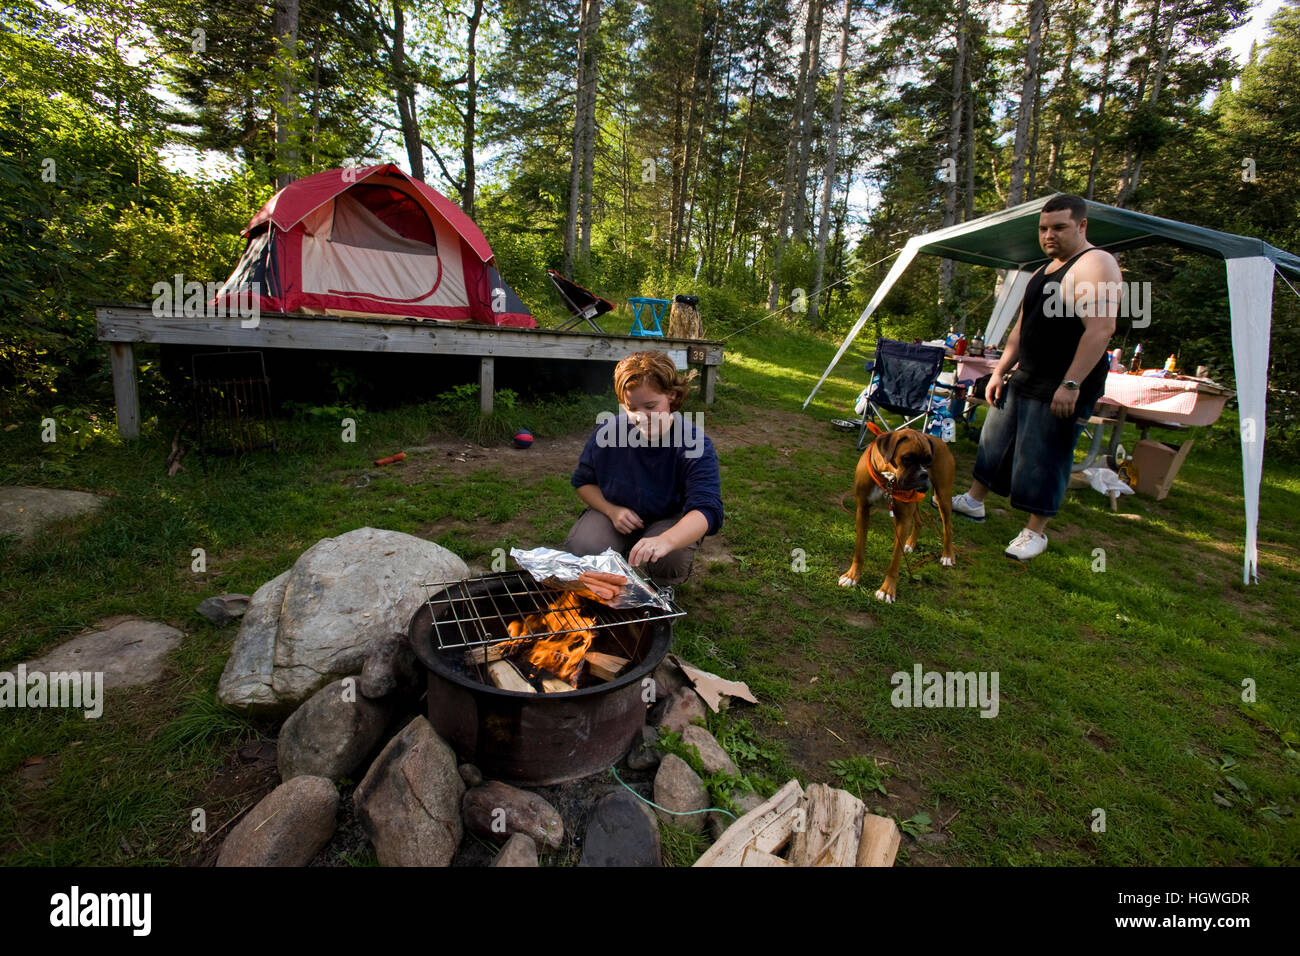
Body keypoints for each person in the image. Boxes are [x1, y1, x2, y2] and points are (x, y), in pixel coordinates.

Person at [947, 193, 1120, 560]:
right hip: (1026, 375)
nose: (1049, 236)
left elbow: (1101, 328)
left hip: (1064, 383)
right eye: (1043, 229)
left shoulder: (1096, 263)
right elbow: (1020, 330)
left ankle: (1034, 532)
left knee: (1047, 454)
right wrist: (999, 372)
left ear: (1082, 225)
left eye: (1059, 227)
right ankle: (974, 501)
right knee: (994, 441)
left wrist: (1071, 383)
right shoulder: (1043, 270)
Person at [564, 350, 723, 586]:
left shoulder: (694, 443)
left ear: (671, 395)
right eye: (631, 408)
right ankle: (602, 582)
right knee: (584, 546)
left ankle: (661, 587)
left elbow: (707, 510)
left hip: (669, 520)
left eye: (650, 406)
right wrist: (612, 510)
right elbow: (583, 482)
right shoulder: (608, 432)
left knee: (669, 556)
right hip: (616, 512)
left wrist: (667, 540)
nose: (641, 417)